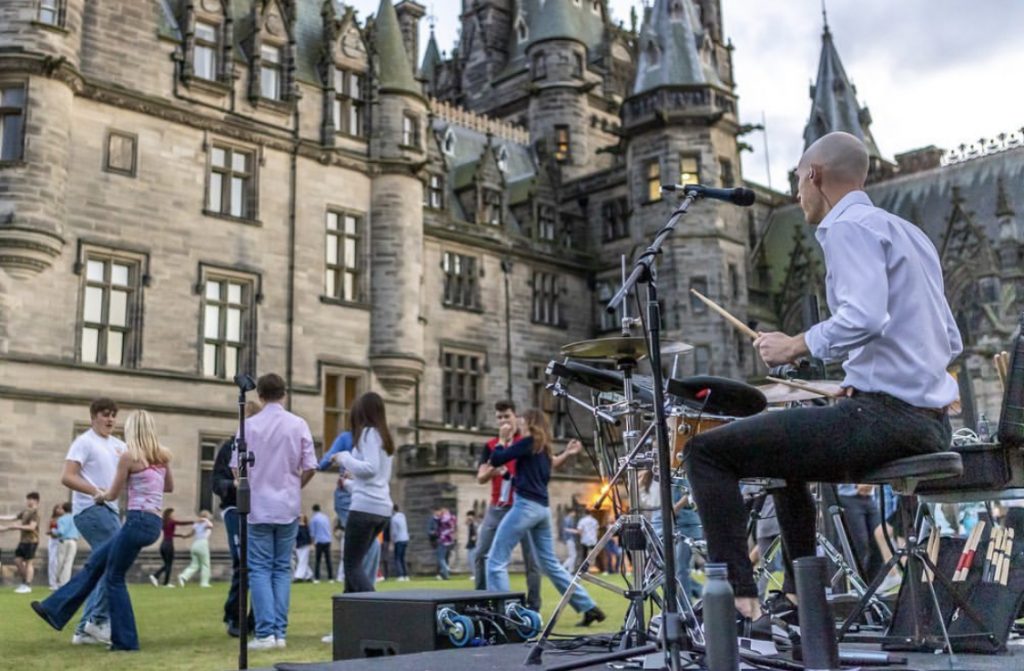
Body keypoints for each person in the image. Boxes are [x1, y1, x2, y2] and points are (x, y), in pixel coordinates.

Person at [685, 131, 962, 632]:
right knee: (783, 460)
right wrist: (865, 379)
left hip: (886, 419)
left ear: (814, 175)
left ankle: (740, 602)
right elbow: (950, 338)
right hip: (927, 422)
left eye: (797, 179)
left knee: (707, 453)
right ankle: (798, 595)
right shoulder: (906, 231)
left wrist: (794, 343)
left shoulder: (846, 226)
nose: (796, 192)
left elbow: (865, 316)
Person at [32, 410, 174, 651]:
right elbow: (168, 486)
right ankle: (54, 609)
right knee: (96, 563)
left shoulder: (129, 457)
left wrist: (98, 496)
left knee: (114, 578)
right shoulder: (163, 456)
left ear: (132, 430)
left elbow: (112, 494)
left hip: (136, 521)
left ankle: (125, 641)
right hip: (152, 523)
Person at [485, 409, 605, 625]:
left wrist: (502, 440)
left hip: (525, 507)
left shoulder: (527, 442)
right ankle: (588, 606)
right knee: (550, 564)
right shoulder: (543, 449)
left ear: (529, 423)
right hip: (542, 510)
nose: (517, 425)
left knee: (495, 561)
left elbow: (496, 458)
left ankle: (502, 614)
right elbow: (538, 474)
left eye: (521, 421)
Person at [231, 372, 317, 650]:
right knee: (282, 569)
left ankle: (266, 633)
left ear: (259, 396)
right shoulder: (298, 423)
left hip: (257, 506)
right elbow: (311, 466)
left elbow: (236, 467)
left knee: (259, 569)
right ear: (285, 394)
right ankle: (279, 632)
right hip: (288, 505)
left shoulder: (249, 426)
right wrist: (295, 485)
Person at [60, 398, 125, 644]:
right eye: (105, 414)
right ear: (93, 417)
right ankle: (97, 621)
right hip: (91, 509)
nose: (110, 419)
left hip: (110, 510)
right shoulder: (84, 442)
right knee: (115, 560)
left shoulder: (119, 445)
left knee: (103, 565)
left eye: (113, 415)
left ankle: (83, 631)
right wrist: (94, 491)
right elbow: (67, 476)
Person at [474, 400, 542, 611]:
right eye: (500, 417)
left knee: (532, 560)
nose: (503, 421)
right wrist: (495, 469)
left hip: (522, 506)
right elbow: (481, 477)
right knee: (481, 554)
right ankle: (480, 603)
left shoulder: (526, 443)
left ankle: (533, 606)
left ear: (516, 418)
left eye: (507, 417)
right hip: (498, 507)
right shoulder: (491, 445)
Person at [335, 392, 394, 593]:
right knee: (356, 566)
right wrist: (349, 485)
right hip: (382, 509)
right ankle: (349, 619)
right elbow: (377, 480)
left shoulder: (369, 434)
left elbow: (370, 469)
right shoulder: (385, 438)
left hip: (364, 510)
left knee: (352, 566)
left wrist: (344, 458)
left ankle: (375, 609)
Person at [212, 399, 261, 637]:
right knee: (243, 563)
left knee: (259, 565)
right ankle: (234, 615)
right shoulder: (230, 447)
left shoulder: (263, 447)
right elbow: (216, 483)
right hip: (234, 509)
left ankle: (255, 617)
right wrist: (232, 484)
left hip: (260, 510)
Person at [0, 491, 41, 593]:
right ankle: (25, 581)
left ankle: (27, 584)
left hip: (32, 541)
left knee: (28, 563)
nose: (28, 501)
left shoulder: (35, 513)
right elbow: (13, 517)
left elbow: (32, 527)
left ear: (36, 501)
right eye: (28, 499)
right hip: (23, 541)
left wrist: (11, 527)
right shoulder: (25, 511)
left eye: (30, 499)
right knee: (17, 561)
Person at [149, 509, 192, 587]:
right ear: (169, 515)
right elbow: (181, 523)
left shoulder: (164, 523)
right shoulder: (171, 521)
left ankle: (159, 578)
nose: (173, 515)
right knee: (169, 564)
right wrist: (194, 522)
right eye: (172, 514)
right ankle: (159, 578)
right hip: (169, 545)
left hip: (163, 545)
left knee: (167, 564)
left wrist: (180, 535)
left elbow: (170, 534)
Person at [177, 510, 214, 588]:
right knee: (205, 564)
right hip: (202, 543)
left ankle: (183, 576)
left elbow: (190, 534)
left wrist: (184, 536)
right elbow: (211, 526)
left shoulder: (196, 525)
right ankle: (204, 583)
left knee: (194, 565)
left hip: (195, 544)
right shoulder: (206, 524)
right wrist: (206, 520)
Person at [54, 504, 80, 588]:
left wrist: (54, 531)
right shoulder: (76, 518)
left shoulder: (62, 519)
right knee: (69, 562)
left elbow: (61, 531)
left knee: (60, 561)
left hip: (63, 540)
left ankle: (58, 580)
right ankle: (65, 581)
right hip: (73, 541)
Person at [309, 504, 333, 583]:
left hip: (319, 541)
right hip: (327, 540)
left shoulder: (313, 519)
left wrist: (312, 542)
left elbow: (312, 532)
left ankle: (317, 578)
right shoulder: (325, 517)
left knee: (318, 560)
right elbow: (329, 528)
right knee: (328, 560)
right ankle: (331, 578)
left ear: (313, 510)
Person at [433, 507, 456, 580]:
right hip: (448, 540)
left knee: (441, 558)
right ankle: (445, 573)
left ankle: (446, 570)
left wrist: (437, 514)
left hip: (443, 540)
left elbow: (436, 518)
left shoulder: (444, 518)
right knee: (443, 557)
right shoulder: (452, 518)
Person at [390, 503, 410, 581]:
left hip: (399, 539)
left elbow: (394, 532)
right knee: (402, 558)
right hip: (405, 538)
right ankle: (406, 575)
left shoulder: (394, 519)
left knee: (397, 558)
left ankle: (400, 575)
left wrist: (392, 542)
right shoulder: (403, 516)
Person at [46, 504, 63, 591]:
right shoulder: (52, 519)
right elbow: (47, 530)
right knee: (52, 561)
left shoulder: (64, 519)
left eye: (61, 508)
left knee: (59, 561)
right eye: (58, 508)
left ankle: (60, 581)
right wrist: (51, 531)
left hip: (61, 540)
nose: (59, 510)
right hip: (53, 541)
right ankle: (52, 582)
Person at [293, 515, 313, 582]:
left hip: (304, 545)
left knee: (302, 561)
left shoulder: (305, 526)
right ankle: (309, 575)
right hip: (298, 545)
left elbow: (308, 536)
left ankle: (299, 576)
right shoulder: (296, 526)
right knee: (302, 561)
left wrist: (310, 544)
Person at [560, 507, 578, 572]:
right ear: (572, 512)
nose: (575, 514)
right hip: (569, 539)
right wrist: (575, 531)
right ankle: (563, 568)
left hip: (570, 539)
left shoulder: (569, 519)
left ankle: (570, 570)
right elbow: (565, 529)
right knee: (573, 555)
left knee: (572, 555)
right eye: (574, 512)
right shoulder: (568, 519)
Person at [465, 510, 478, 575]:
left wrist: (475, 537)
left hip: (474, 545)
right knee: (470, 560)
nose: (467, 518)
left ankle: (475, 574)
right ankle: (474, 574)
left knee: (472, 560)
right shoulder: (471, 524)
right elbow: (466, 523)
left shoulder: (475, 524)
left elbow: (476, 533)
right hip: (471, 544)